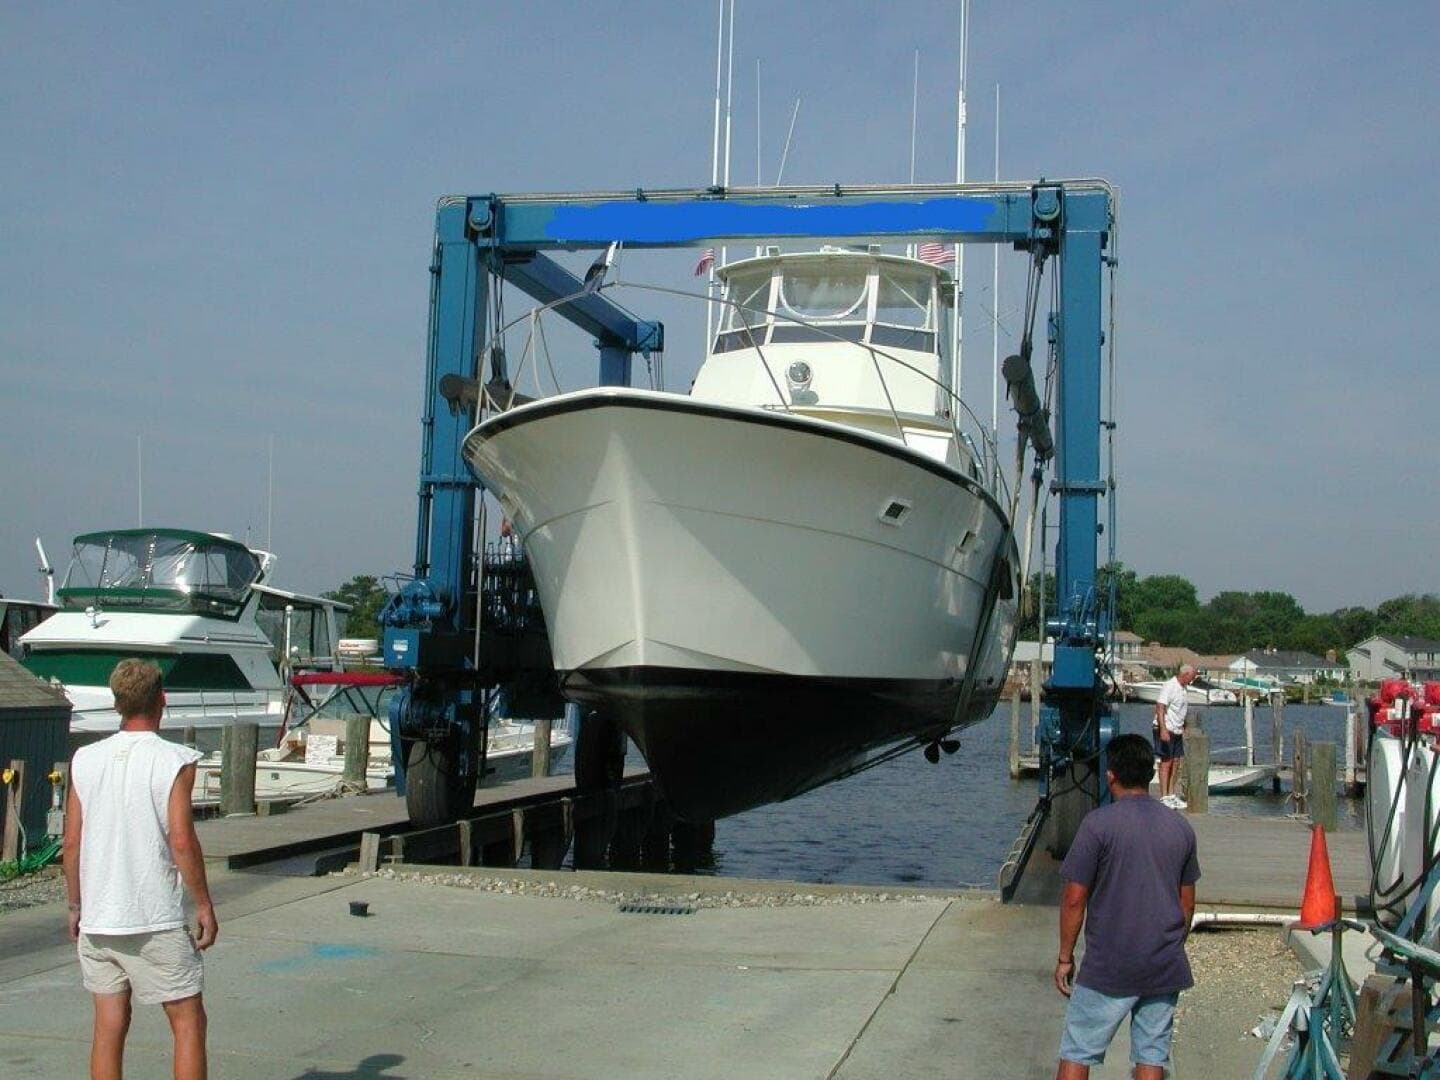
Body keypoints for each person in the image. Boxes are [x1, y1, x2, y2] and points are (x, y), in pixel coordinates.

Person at [62, 659, 218, 1080]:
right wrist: (203, 903)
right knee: (187, 1022)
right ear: (161, 700)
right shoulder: (176, 760)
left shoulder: (84, 759)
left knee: (109, 1025)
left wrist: (76, 906)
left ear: (116, 703)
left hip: (99, 918)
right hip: (154, 919)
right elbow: (181, 841)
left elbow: (71, 843)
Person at [1054, 733, 1200, 1079]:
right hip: (1163, 964)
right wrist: (1167, 946)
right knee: (1151, 1056)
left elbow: (1075, 899)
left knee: (1078, 1050)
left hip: (1109, 963)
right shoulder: (1180, 828)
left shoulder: (1097, 825)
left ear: (1111, 775)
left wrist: (1065, 957)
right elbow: (1187, 905)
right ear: (1150, 775)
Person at [1153, 664, 1197, 808]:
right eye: (1192, 676)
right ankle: (1164, 796)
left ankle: (1171, 794)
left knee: (1176, 762)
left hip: (1177, 729)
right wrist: (1163, 729)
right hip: (1166, 728)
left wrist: (1183, 726)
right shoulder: (1170, 686)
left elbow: (1180, 709)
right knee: (1166, 762)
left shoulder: (1184, 688)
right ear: (1185, 674)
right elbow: (1160, 707)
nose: (1192, 679)